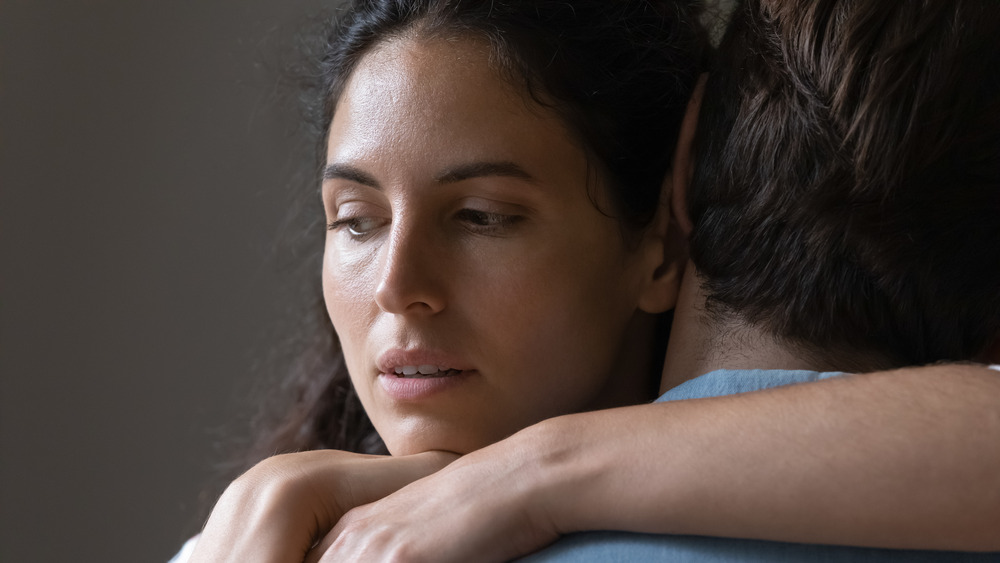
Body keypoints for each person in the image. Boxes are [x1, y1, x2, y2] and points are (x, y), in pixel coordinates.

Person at [176, 0, 1000, 561]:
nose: (397, 285)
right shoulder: (255, 536)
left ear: (665, 235)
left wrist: (529, 474)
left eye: (483, 216)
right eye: (356, 221)